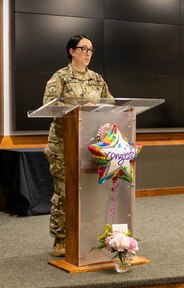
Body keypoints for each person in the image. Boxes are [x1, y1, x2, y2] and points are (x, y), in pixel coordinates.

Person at [43, 34, 113, 256]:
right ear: (72, 51)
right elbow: (49, 106)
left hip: (90, 144)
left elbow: (111, 103)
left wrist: (100, 107)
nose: (88, 53)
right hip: (63, 144)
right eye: (83, 49)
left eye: (91, 50)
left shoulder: (97, 79)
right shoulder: (60, 77)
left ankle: (88, 235)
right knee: (64, 192)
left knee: (91, 191)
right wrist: (80, 106)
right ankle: (60, 239)